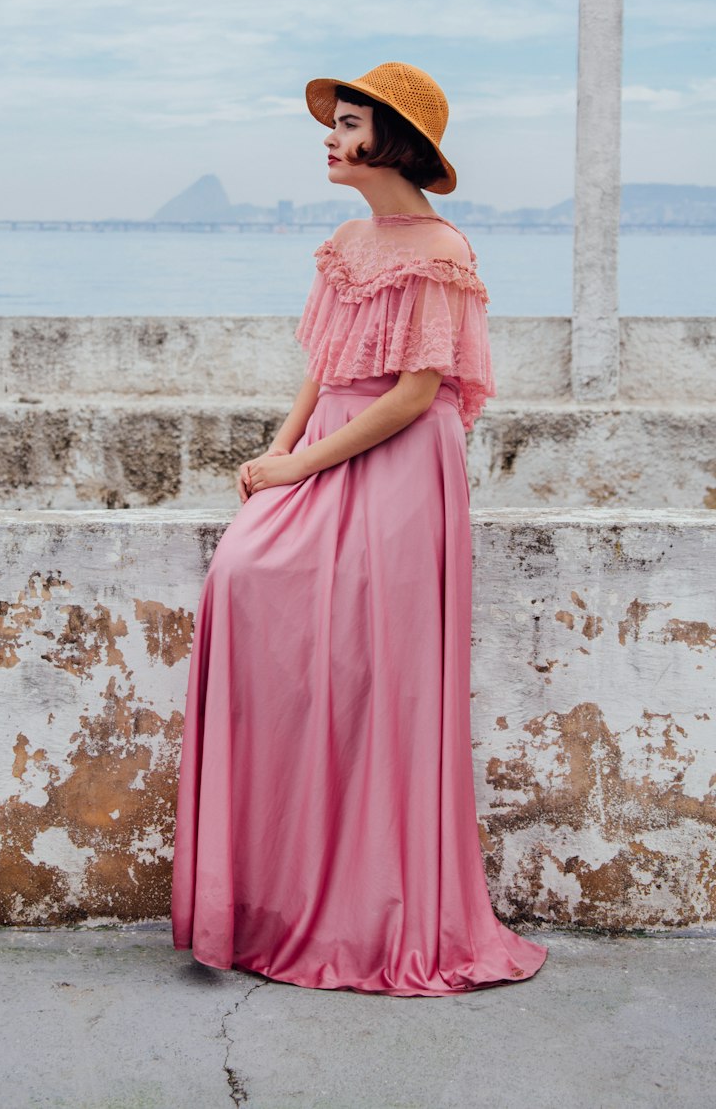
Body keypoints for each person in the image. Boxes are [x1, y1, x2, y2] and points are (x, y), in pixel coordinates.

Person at [171, 61, 548, 996]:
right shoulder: (347, 238)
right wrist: (279, 447)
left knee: (382, 683)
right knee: (244, 575)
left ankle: (376, 914)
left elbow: (420, 393)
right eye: (332, 123)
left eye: (347, 124)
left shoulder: (442, 248)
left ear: (392, 137)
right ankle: (276, 895)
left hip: (399, 467)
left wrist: (300, 465)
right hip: (330, 444)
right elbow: (324, 364)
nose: (330, 137)